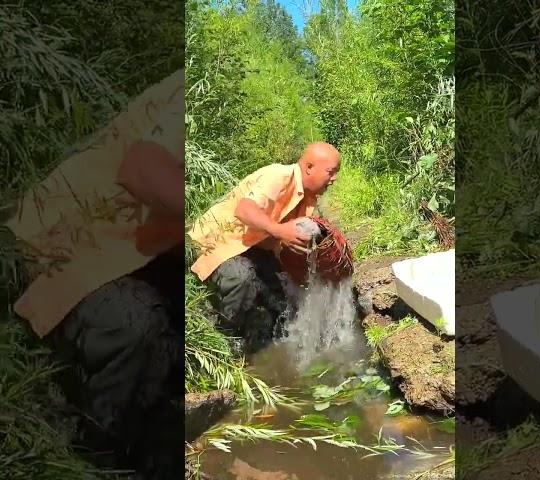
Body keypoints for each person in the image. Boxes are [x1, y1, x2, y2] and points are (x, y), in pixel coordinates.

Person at [6, 71, 185, 478]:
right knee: (138, 324)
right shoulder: (196, 89)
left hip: (123, 250)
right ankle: (94, 457)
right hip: (59, 247)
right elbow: (141, 169)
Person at [188, 142, 341, 350]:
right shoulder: (279, 176)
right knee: (243, 279)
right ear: (309, 167)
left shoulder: (308, 196)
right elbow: (244, 210)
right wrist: (280, 231)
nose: (334, 179)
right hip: (219, 242)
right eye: (330, 172)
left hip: (251, 245)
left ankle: (264, 343)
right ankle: (222, 341)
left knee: (280, 298)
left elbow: (283, 242)